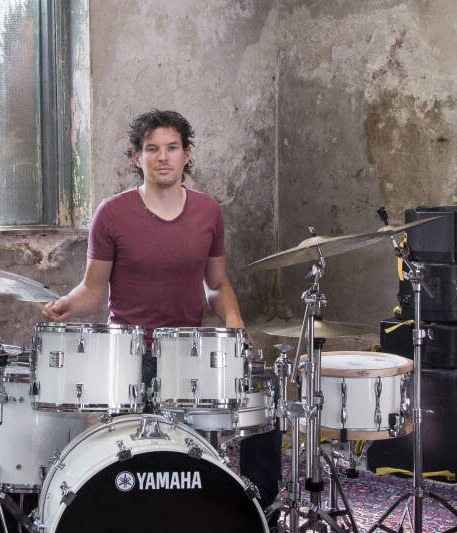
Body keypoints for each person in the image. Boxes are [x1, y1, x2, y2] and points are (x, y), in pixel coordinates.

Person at [44, 109, 282, 513]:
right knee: (145, 465)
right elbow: (92, 290)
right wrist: (68, 303)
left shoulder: (208, 211)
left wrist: (234, 320)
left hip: (190, 354)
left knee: (265, 391)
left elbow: (216, 284)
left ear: (187, 154)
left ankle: (259, 510)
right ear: (137, 157)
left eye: (172, 147)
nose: (163, 156)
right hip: (130, 357)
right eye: (151, 149)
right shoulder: (112, 213)